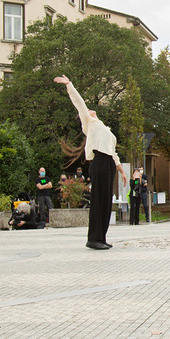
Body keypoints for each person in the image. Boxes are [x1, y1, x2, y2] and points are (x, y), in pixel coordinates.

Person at [56, 75, 127, 250]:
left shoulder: (105, 129)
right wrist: (69, 85)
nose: (90, 110)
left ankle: (101, 236)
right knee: (98, 200)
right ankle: (93, 238)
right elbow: (79, 102)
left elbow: (114, 152)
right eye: (88, 110)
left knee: (106, 201)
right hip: (99, 161)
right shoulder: (90, 124)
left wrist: (122, 171)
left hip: (109, 162)